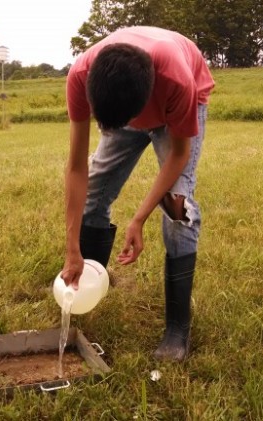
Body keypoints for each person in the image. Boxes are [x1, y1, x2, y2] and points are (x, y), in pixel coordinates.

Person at [61, 26, 214, 361]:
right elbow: (76, 169)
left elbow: (178, 155)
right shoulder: (80, 76)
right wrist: (71, 247)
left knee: (178, 207)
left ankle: (177, 329)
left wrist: (139, 218)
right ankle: (92, 279)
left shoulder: (176, 79)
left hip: (175, 105)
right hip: (126, 99)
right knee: (95, 190)